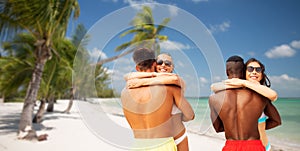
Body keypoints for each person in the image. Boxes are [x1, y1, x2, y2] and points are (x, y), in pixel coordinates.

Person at [121, 48, 195, 151]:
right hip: (162, 144)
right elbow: (191, 115)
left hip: (138, 145)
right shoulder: (169, 88)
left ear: (137, 67)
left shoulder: (125, 92)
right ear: (154, 64)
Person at [209, 55, 281, 151]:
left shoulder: (213, 99)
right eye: (250, 69)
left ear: (227, 72)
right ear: (243, 72)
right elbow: (276, 121)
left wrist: (233, 128)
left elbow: (218, 128)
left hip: (230, 146)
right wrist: (253, 127)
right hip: (255, 145)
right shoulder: (260, 96)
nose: (254, 72)